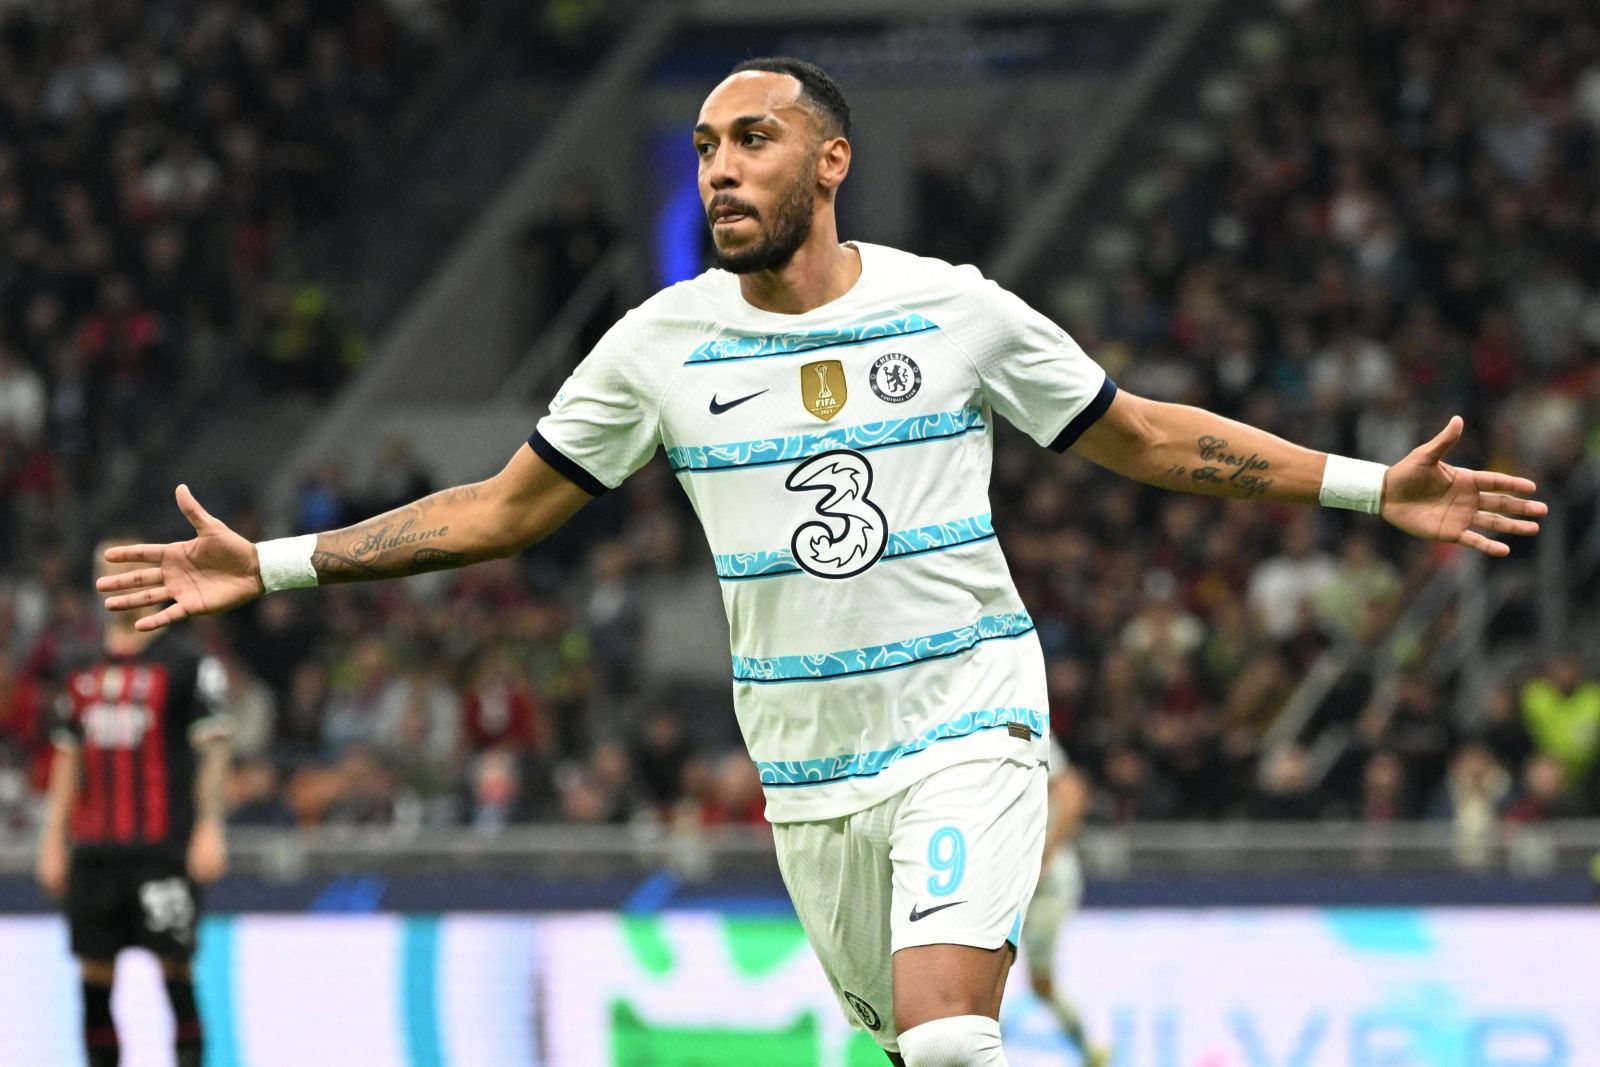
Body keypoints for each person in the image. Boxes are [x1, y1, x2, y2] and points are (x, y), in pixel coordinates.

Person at [96, 58, 1545, 1067]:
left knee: (952, 1034)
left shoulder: (956, 311)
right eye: (704, 149)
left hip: (969, 716)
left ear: (830, 161)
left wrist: (1368, 485)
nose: (721, 170)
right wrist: (270, 564)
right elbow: (499, 509)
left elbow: (1144, 433)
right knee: (899, 1038)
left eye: (752, 141)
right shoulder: (658, 344)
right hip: (805, 766)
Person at [38, 539, 232, 1067]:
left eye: (127, 571)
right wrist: (52, 842)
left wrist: (211, 827)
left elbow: (213, 751)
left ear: (153, 578)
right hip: (94, 853)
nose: (115, 584)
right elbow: (67, 758)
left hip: (163, 849)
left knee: (176, 971)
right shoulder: (77, 664)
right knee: (94, 978)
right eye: (105, 572)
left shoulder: (188, 662)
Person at [1018, 738, 1109, 1066]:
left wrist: (1046, 852)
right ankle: (1091, 1049)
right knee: (1029, 982)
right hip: (1013, 878)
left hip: (1046, 885)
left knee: (1037, 980)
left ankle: (1092, 1047)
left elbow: (1072, 791)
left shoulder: (1022, 724)